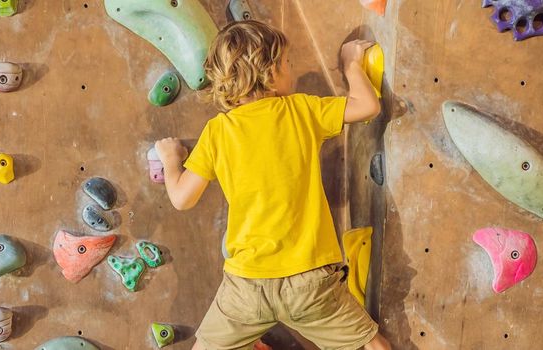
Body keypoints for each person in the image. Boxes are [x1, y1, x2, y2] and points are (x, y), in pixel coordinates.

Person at [153, 20, 391, 350]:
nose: (290, 70)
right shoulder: (301, 110)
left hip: (247, 286)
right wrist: (349, 62)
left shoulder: (219, 131)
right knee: (371, 345)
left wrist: (170, 160)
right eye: (287, 63)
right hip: (310, 281)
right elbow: (368, 106)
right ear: (270, 71)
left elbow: (181, 198)